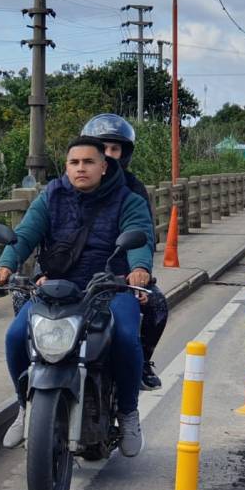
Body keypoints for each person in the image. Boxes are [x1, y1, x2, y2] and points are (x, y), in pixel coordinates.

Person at [0, 136, 153, 457]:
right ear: (66, 167)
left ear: (104, 167)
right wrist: (5, 265)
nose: (81, 168)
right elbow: (24, 234)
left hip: (110, 286)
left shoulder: (128, 199)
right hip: (55, 288)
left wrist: (139, 270)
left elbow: (140, 237)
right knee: (14, 336)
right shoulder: (51, 196)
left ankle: (129, 413)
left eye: (89, 162)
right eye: (74, 162)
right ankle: (23, 407)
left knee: (124, 337)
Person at [79, 113, 169, 391]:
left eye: (114, 149)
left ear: (124, 153)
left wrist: (139, 271)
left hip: (119, 274)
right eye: (101, 148)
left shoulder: (133, 190)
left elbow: (142, 235)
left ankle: (141, 362)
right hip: (70, 272)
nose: (107, 155)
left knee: (157, 305)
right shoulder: (69, 186)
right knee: (26, 304)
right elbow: (44, 231)